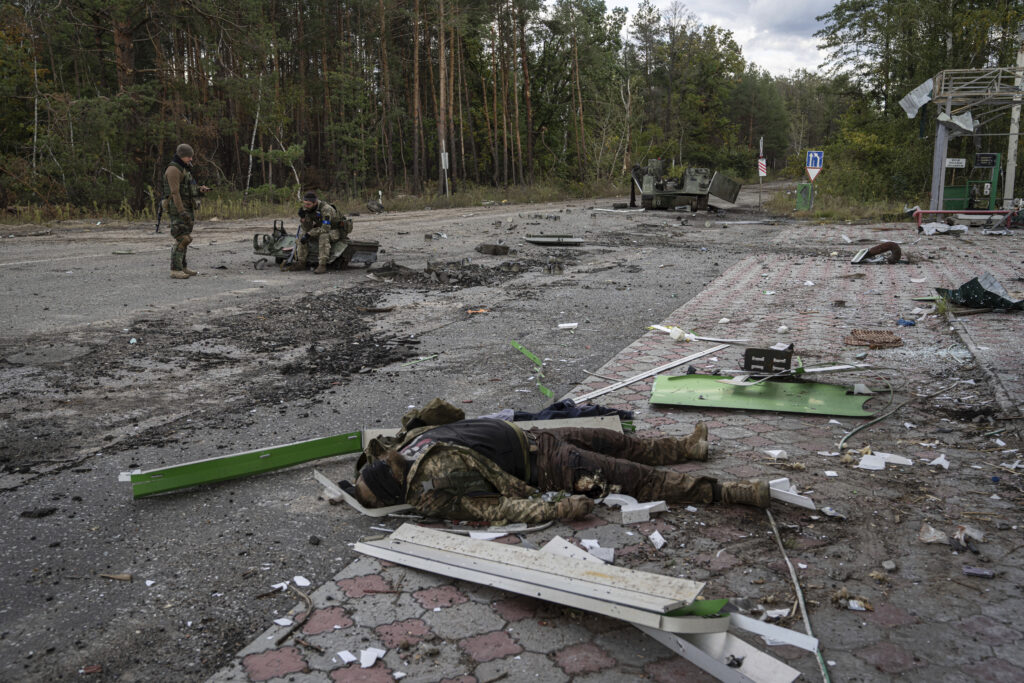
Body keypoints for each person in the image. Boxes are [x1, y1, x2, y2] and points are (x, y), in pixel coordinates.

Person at [346, 399, 771, 524]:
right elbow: (498, 508)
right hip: (547, 467)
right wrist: (560, 507)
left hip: (534, 438)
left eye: (381, 460)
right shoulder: (430, 494)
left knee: (614, 440)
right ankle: (729, 492)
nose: (388, 459)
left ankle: (685, 448)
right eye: (383, 468)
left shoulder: (407, 448)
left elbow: (449, 416)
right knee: (634, 478)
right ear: (392, 484)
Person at [163, 143, 209, 279]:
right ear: (182, 156)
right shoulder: (173, 170)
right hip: (178, 208)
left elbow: (188, 189)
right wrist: (181, 211)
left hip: (187, 207)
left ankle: (182, 266)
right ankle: (175, 269)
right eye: (188, 156)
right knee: (182, 238)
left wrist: (200, 190)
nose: (191, 159)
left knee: (186, 237)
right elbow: (175, 193)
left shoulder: (184, 169)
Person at [286, 192, 350, 274]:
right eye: (305, 204)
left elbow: (325, 228)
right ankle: (301, 262)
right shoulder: (308, 208)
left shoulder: (326, 209)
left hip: (334, 230)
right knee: (302, 234)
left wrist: (310, 233)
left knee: (323, 236)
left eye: (308, 204)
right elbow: (307, 228)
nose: (306, 206)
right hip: (320, 228)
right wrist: (303, 219)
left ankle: (322, 265)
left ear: (315, 203)